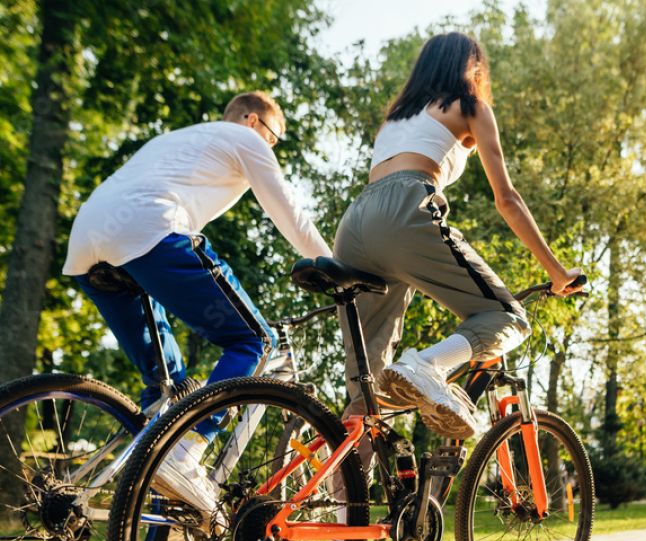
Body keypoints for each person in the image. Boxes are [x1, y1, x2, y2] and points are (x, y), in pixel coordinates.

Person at [64, 91, 331, 516]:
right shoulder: (243, 140)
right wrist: (334, 268)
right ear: (251, 120)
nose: (272, 148)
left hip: (88, 244)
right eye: (273, 138)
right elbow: (291, 214)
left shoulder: (184, 141)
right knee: (255, 340)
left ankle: (132, 503)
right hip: (147, 228)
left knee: (168, 389)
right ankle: (186, 453)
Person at [334, 32, 583, 440]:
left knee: (369, 393)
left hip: (355, 225)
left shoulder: (394, 119)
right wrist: (556, 272)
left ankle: (341, 502)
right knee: (506, 318)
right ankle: (427, 365)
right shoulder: (470, 107)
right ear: (471, 67)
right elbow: (508, 200)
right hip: (403, 210)